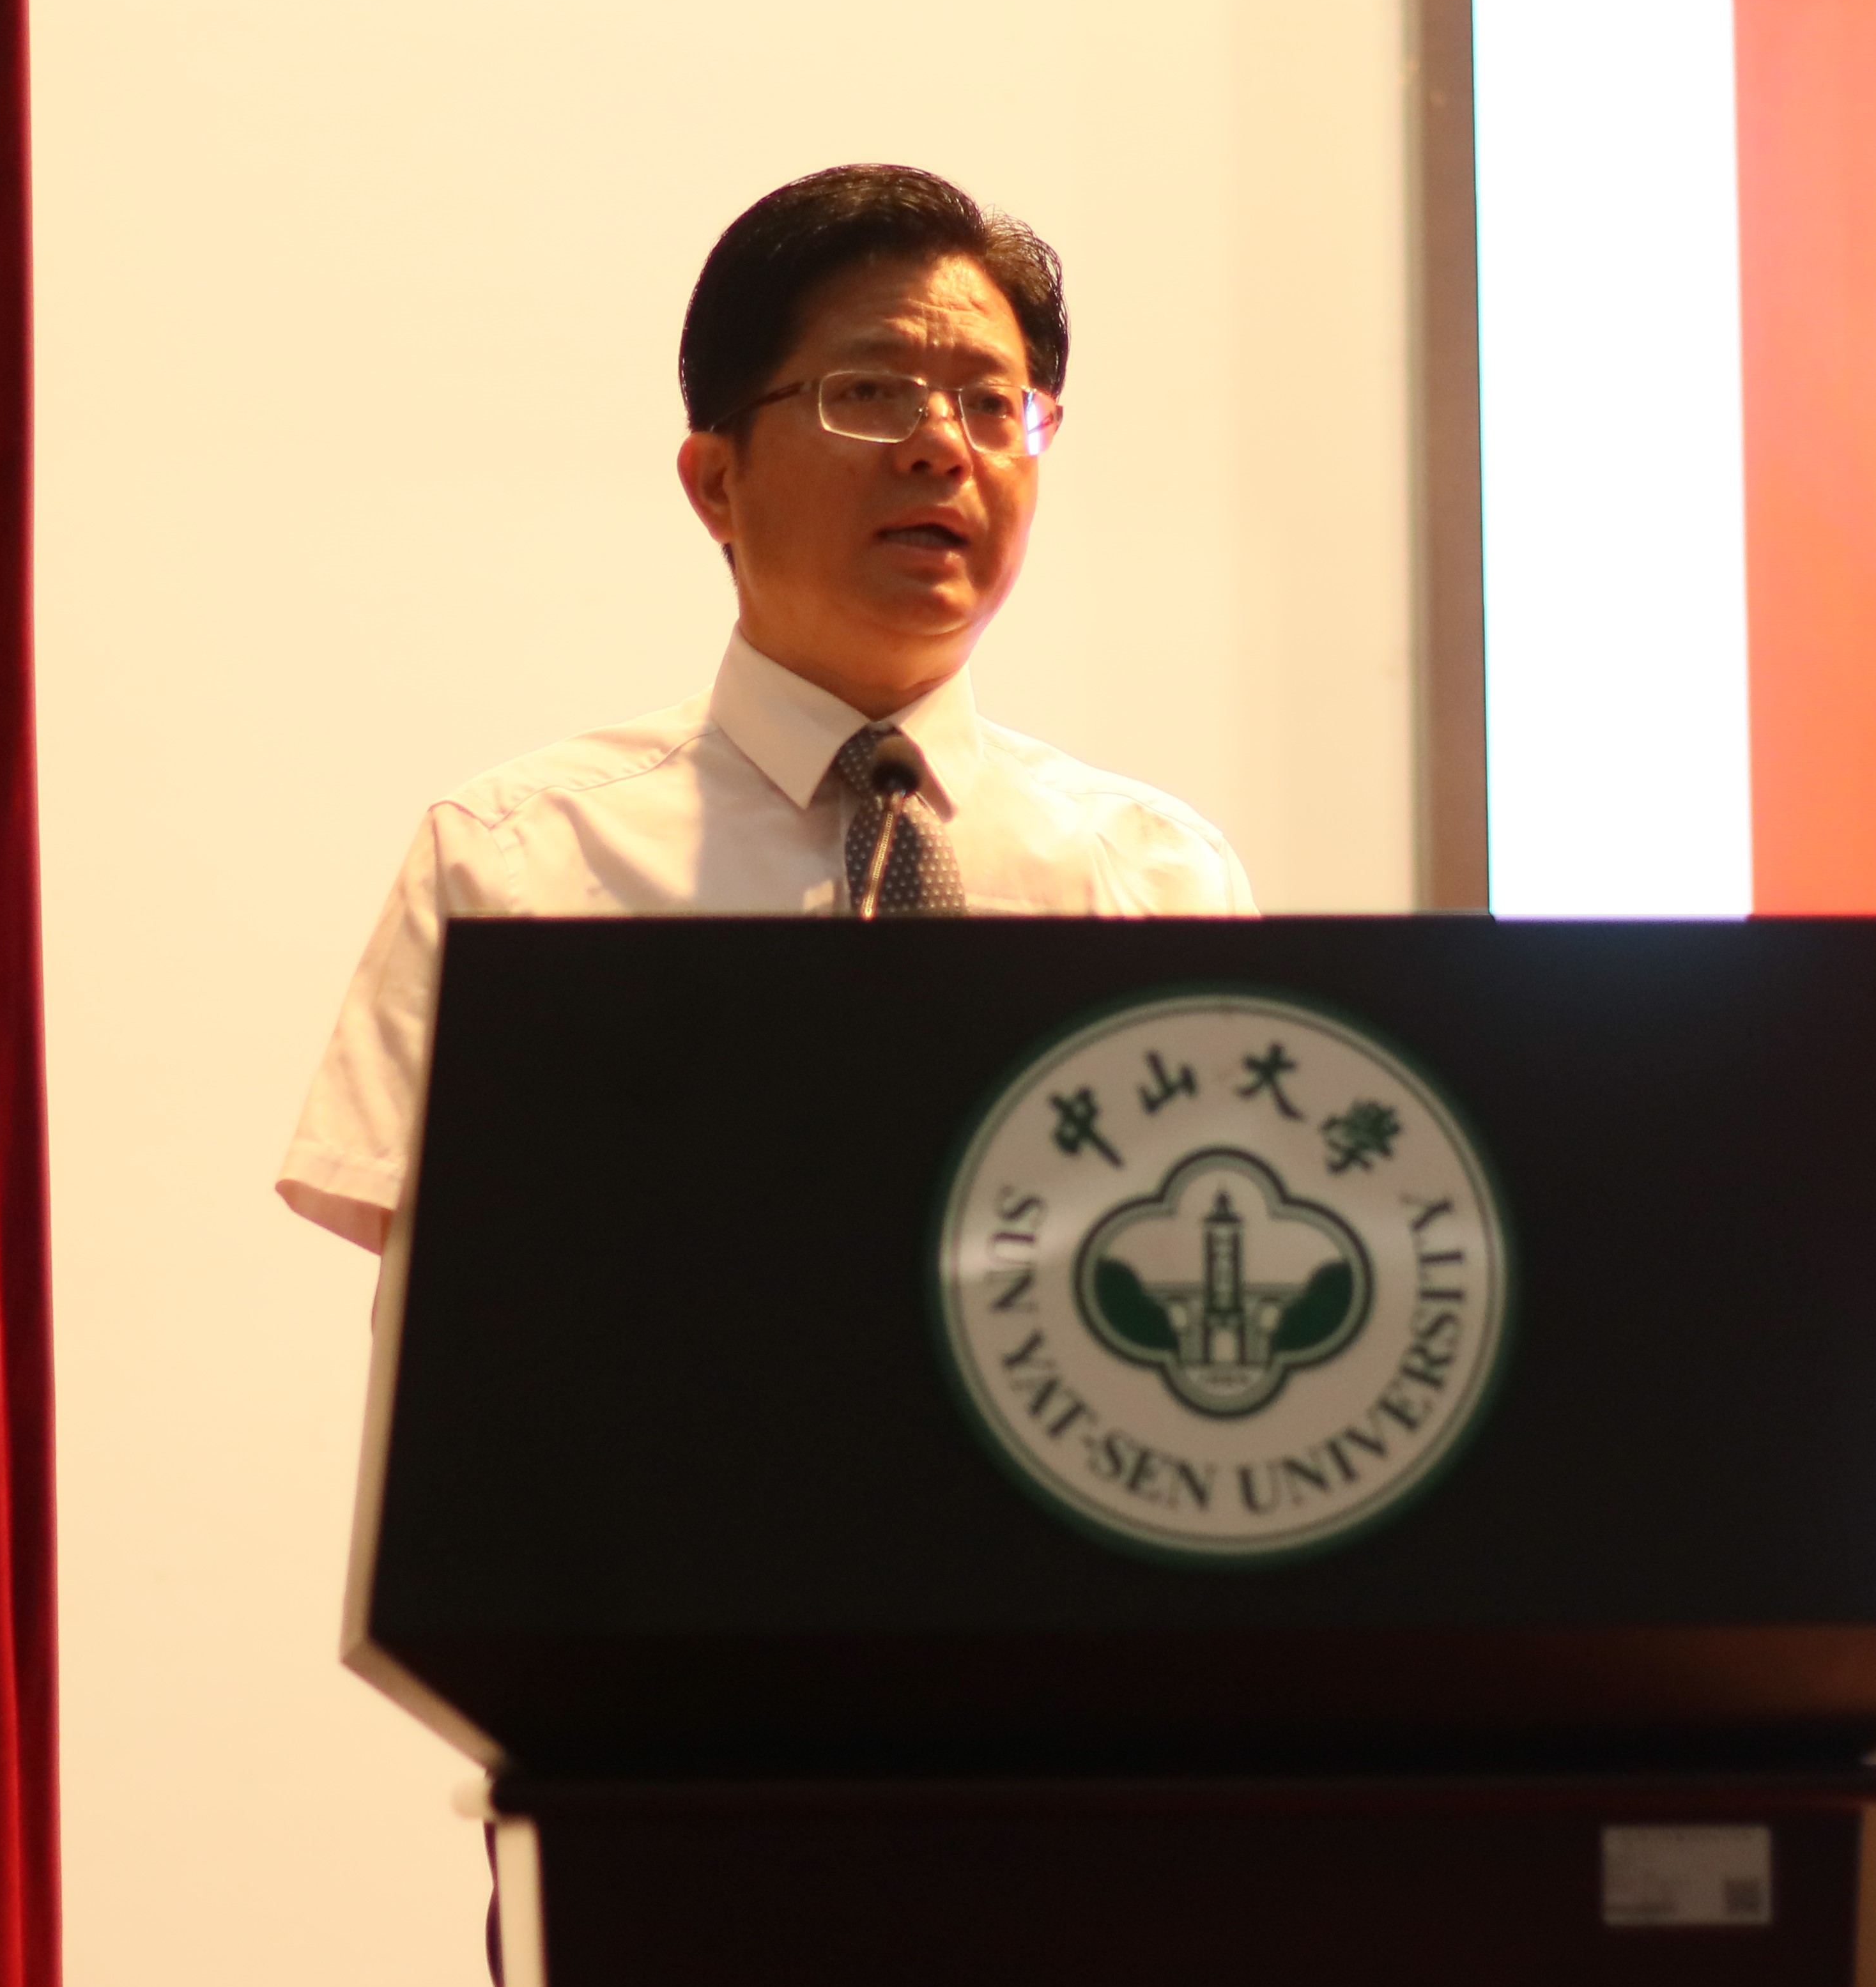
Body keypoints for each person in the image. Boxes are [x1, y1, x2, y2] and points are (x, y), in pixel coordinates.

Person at [275, 162, 1255, 1257]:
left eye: (991, 404)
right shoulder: (515, 864)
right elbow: (456, 1313)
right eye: (871, 391)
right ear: (715, 483)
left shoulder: (1159, 881)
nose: (941, 445)